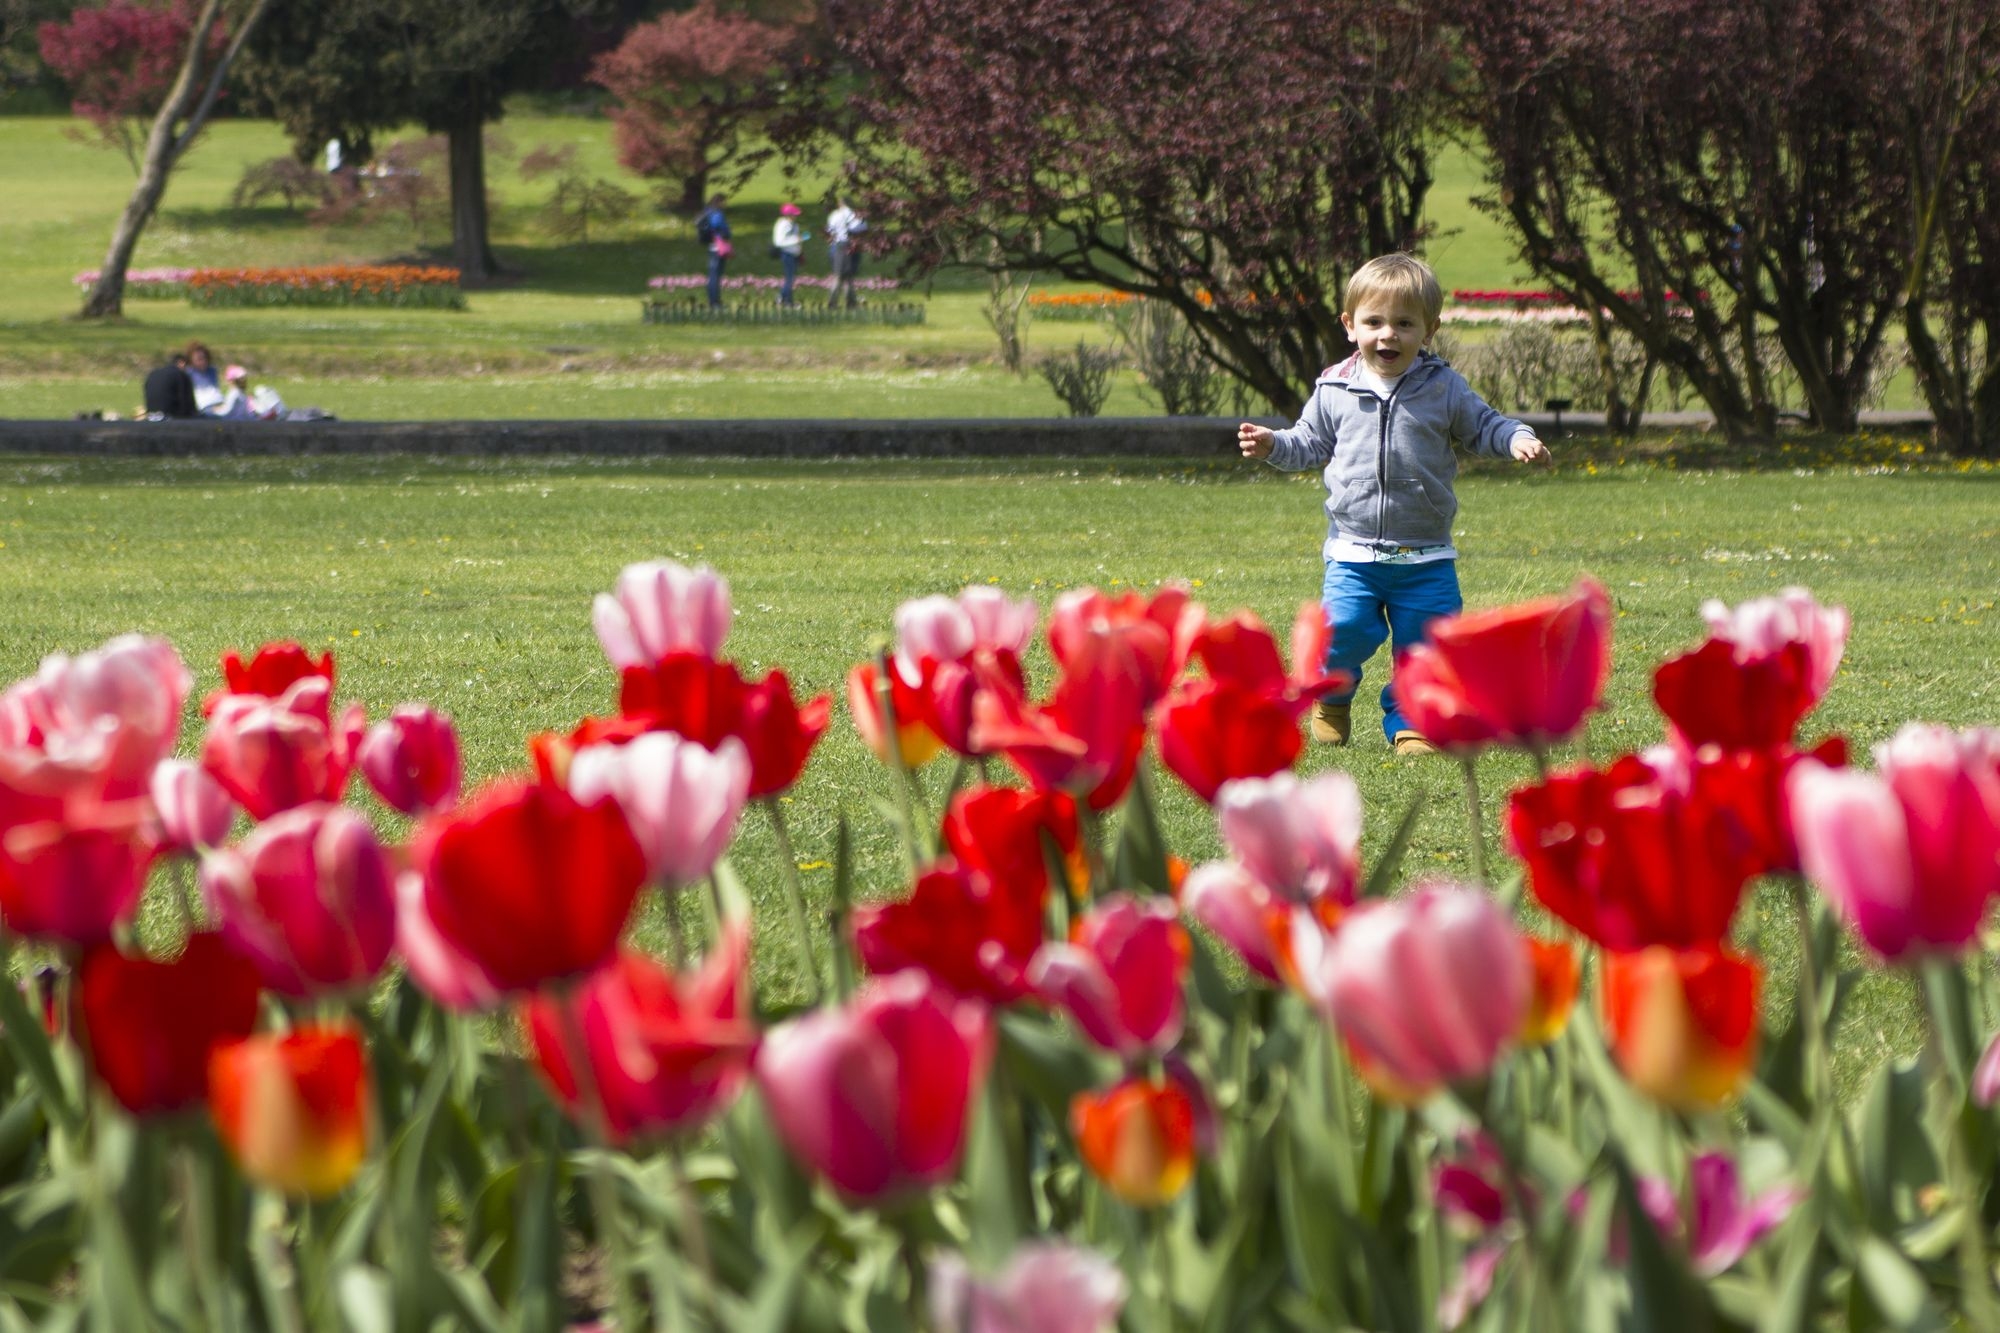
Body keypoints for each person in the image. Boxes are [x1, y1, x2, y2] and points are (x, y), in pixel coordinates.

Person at [1237, 252, 1551, 757]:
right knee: (1342, 630)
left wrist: (1516, 438)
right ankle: (1333, 694)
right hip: (1354, 555)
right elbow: (1308, 442)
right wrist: (1274, 444)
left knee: (1426, 648)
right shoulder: (1334, 388)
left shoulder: (1444, 389)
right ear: (1350, 325)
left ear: (1429, 329)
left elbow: (1486, 424)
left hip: (1426, 556)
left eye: (1405, 324)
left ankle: (1411, 721)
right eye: (1375, 322)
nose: (1389, 335)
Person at [826, 196, 866, 310]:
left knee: (839, 276)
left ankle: (840, 302)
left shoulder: (834, 215)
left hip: (838, 245)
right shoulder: (855, 215)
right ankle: (847, 303)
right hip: (851, 245)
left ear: (840, 204)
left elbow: (829, 230)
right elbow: (861, 228)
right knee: (848, 277)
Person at [696, 194, 732, 310]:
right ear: (719, 202)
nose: (725, 204)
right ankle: (714, 302)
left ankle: (714, 300)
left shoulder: (707, 211)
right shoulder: (716, 213)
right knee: (715, 275)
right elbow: (718, 225)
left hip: (712, 246)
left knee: (713, 275)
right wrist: (727, 231)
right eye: (724, 202)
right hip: (718, 245)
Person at [772, 203, 809, 308]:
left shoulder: (794, 225)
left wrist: (800, 249)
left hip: (794, 253)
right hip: (787, 254)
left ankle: (782, 297)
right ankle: (788, 301)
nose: (796, 216)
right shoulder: (783, 225)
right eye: (794, 214)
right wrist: (796, 240)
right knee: (790, 278)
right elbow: (779, 242)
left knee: (791, 278)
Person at [142, 352, 197, 419]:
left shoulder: (153, 374)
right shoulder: (180, 374)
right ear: (182, 362)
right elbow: (185, 402)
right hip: (171, 417)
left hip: (151, 416)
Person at [185, 341, 223, 414]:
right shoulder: (189, 373)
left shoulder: (212, 371)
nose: (203, 362)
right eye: (199, 359)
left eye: (204, 358)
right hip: (204, 407)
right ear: (191, 360)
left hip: (219, 403)